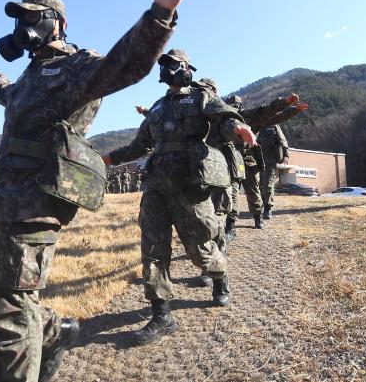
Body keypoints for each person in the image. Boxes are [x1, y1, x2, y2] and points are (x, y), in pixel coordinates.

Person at [0, 0, 192, 382]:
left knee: (11, 309)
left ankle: (30, 342)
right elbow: (10, 95)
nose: (23, 27)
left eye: (32, 16)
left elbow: (125, 66)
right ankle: (53, 330)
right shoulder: (29, 75)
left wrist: (161, 12)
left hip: (36, 197)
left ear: (57, 22)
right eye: (18, 18)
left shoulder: (78, 66)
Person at [102, 48, 256, 346]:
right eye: (165, 65)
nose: (168, 70)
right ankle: (161, 315)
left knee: (201, 249)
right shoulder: (158, 107)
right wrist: (104, 159)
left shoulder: (200, 97)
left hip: (190, 184)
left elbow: (223, 117)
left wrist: (238, 127)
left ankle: (220, 277)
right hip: (156, 187)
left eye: (174, 65)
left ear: (187, 68)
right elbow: (139, 145)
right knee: (153, 251)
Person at [225, 95, 308, 230]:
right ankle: (230, 223)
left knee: (253, 190)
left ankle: (258, 217)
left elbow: (272, 115)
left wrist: (292, 108)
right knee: (232, 191)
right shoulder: (222, 117)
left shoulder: (247, 117)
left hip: (247, 160)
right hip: (229, 160)